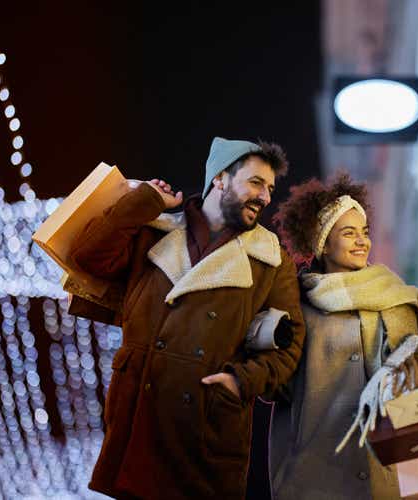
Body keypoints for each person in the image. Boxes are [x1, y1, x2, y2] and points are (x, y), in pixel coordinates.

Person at [70, 137, 305, 499]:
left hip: (207, 430)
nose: (265, 196)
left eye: (270, 188)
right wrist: (143, 202)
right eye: (256, 182)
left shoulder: (272, 260)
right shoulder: (154, 228)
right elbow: (88, 257)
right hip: (138, 420)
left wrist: (239, 382)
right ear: (221, 178)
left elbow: (289, 346)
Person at [268, 173, 418, 499]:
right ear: (324, 244)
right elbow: (278, 386)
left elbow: (416, 378)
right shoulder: (298, 303)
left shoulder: (392, 294)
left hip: (380, 463)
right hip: (313, 466)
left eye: (365, 232)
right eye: (348, 233)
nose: (362, 241)